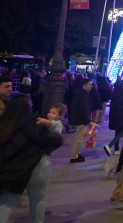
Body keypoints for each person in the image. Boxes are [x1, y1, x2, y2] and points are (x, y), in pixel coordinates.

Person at [0, 93, 63, 223]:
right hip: (38, 164)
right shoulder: (34, 120)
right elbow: (55, 139)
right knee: (38, 199)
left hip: (14, 168)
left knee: (8, 201)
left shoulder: (4, 123)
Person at [105, 83, 123, 156]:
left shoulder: (114, 96)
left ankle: (117, 149)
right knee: (121, 133)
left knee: (117, 133)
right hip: (122, 118)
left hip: (114, 118)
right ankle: (109, 146)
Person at [68, 78, 94, 163]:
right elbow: (83, 109)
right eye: (89, 84)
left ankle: (77, 154)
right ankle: (74, 156)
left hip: (78, 119)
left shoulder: (79, 93)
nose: (91, 86)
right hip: (81, 120)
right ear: (84, 85)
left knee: (79, 138)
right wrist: (88, 120)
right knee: (79, 139)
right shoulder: (84, 95)